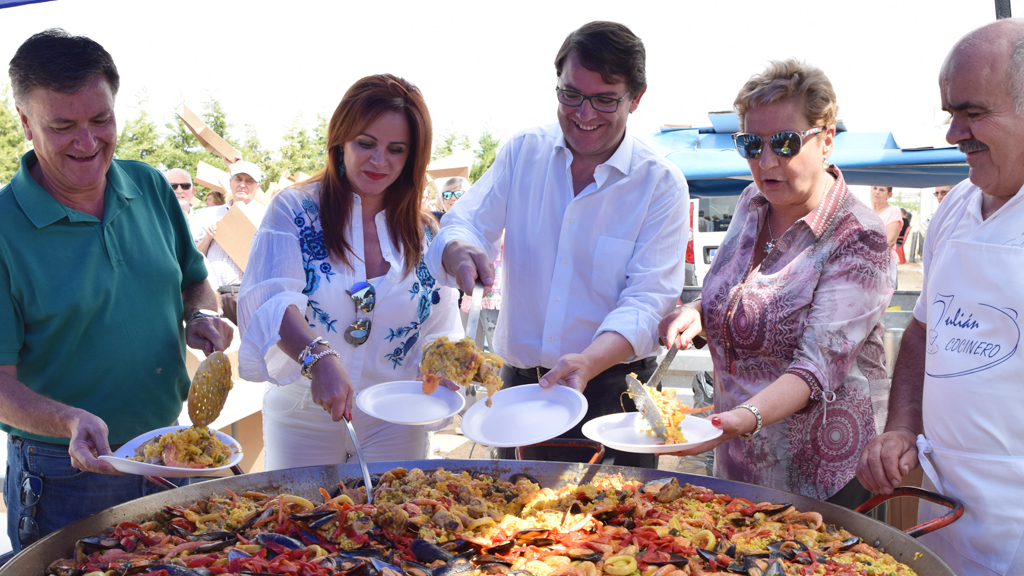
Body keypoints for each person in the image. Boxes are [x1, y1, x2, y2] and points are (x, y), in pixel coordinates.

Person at [0, 29, 231, 551]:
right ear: (25, 121)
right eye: (63, 126)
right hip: (68, 472)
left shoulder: (149, 185)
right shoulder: (2, 227)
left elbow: (194, 280)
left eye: (101, 120)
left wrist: (200, 317)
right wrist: (66, 419)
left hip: (173, 449)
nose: (88, 142)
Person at [425, 21, 689, 468]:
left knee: (616, 529)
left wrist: (587, 361)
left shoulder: (660, 184)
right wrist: (458, 249)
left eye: (605, 99)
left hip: (614, 393)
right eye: (571, 94)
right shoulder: (523, 152)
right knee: (504, 525)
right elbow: (464, 223)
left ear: (637, 97)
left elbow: (648, 300)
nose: (584, 114)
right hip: (521, 388)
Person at [660, 59, 893, 507]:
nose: (766, 161)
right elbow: (735, 295)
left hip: (822, 479)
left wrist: (737, 420)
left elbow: (815, 369)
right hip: (737, 459)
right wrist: (696, 315)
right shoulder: (752, 201)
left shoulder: (857, 236)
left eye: (785, 143)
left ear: (826, 139)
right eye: (751, 143)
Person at [857, 19, 1024, 575]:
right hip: (946, 506)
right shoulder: (956, 205)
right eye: (951, 112)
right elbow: (927, 329)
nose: (954, 133)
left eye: (973, 112)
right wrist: (902, 424)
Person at [237, 74, 461, 470]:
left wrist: (444, 367)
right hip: (304, 412)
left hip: (396, 417)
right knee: (300, 522)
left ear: (413, 157)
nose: (380, 161)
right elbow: (271, 298)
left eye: (396, 149)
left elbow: (440, 327)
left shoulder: (425, 232)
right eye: (366, 143)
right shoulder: (293, 209)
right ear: (340, 140)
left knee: (400, 521)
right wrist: (318, 358)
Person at [195, 161, 267, 325]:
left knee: (247, 348)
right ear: (230, 183)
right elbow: (196, 256)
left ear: (257, 187)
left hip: (246, 295)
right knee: (216, 348)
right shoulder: (211, 214)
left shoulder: (266, 216)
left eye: (249, 181)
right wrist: (207, 238)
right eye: (238, 179)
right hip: (213, 296)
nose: (242, 184)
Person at [166, 167, 203, 241]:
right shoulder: (155, 220)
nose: (179, 191)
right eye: (173, 186)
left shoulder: (204, 220)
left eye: (185, 186)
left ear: (192, 191)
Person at [870, 185, 903, 261]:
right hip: (866, 261)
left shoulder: (893, 211)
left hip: (884, 261)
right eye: (874, 188)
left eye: (882, 190)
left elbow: (890, 241)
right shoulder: (866, 211)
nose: (877, 192)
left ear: (889, 194)